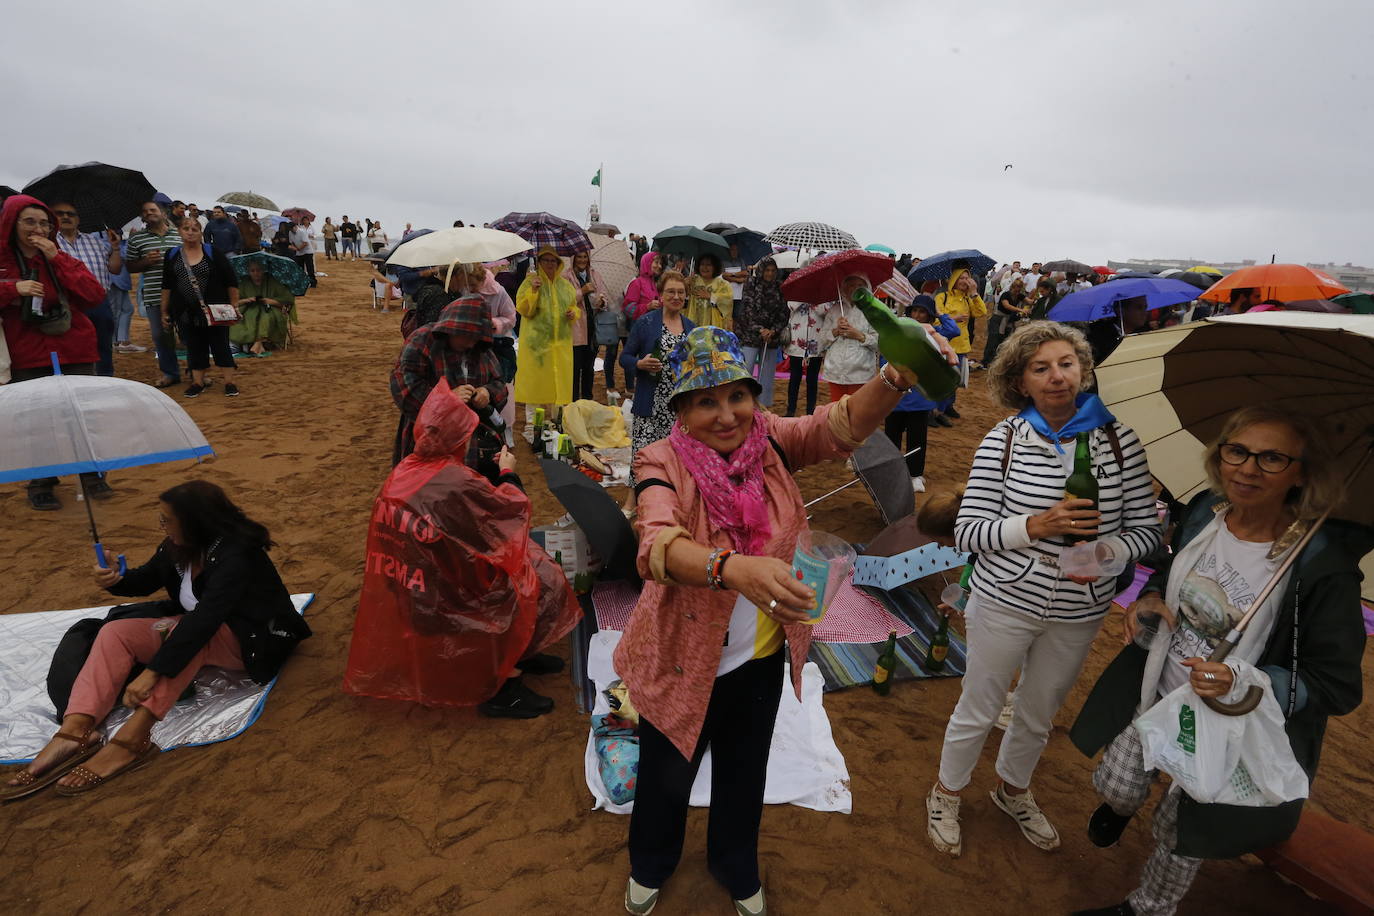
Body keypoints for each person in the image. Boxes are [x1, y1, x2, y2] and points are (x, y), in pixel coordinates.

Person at [616, 326, 922, 915]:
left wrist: (894, 378)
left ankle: (734, 865)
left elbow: (839, 427)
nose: (727, 415)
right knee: (665, 774)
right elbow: (655, 545)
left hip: (759, 656)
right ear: (680, 408)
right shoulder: (660, 460)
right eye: (706, 400)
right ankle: (651, 863)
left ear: (755, 397)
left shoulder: (772, 441)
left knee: (744, 768)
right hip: (678, 656)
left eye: (737, 395)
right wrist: (731, 569)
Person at [1070, 407, 1365, 916]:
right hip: (1156, 689)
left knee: (1179, 831)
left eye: (1273, 458)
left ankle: (1148, 908)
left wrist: (1244, 678)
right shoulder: (1207, 511)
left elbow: (1336, 685)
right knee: (1116, 786)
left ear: (1302, 472)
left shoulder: (1320, 565)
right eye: (1238, 451)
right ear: (1219, 454)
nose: (1248, 469)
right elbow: (1168, 570)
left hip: (1228, 726)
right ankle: (1120, 811)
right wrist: (1150, 598)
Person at [925, 320, 1161, 858]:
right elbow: (967, 531)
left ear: (1083, 368)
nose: (1057, 377)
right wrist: (1036, 525)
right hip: (1005, 600)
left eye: (1066, 364)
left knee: (1037, 710)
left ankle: (1012, 790)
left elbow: (1147, 531)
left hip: (1080, 608)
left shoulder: (1119, 442)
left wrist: (1106, 552)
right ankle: (947, 792)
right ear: (1021, 382)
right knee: (979, 705)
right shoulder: (1004, 440)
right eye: (1041, 368)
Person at [0, 481, 312, 800]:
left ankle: (134, 737)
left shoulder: (236, 554)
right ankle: (77, 728)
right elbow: (147, 579)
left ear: (196, 521)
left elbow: (205, 620)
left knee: (190, 635)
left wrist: (152, 672)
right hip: (199, 628)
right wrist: (116, 577)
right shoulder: (177, 546)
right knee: (115, 632)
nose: (163, 525)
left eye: (167, 519)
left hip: (254, 639)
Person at [344, 383, 580, 717]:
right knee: (537, 573)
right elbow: (511, 515)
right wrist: (507, 472)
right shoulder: (452, 479)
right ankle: (502, 686)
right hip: (448, 595)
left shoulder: (407, 469)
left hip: (412, 589)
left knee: (527, 566)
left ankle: (521, 651)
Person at [0, 194, 109, 510]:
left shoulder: (58, 255)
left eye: (45, 223)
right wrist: (12, 288)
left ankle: (91, 473)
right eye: (29, 221)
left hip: (72, 344)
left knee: (80, 413)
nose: (38, 228)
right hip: (26, 348)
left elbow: (93, 295)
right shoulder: (3, 259)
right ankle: (43, 479)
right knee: (36, 420)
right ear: (11, 223)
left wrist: (58, 258)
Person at [391, 297, 506, 472]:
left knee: (467, 492)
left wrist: (488, 392)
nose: (470, 343)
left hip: (472, 446)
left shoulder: (480, 348)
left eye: (475, 337)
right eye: (466, 336)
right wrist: (446, 399)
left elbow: (500, 384)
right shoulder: (422, 340)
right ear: (451, 328)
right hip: (428, 441)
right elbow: (403, 386)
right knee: (427, 493)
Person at [620, 270, 695, 469]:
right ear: (660, 294)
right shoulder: (645, 323)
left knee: (676, 460)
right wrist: (639, 364)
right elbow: (624, 357)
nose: (676, 297)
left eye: (681, 292)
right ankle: (633, 497)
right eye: (671, 291)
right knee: (643, 456)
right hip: (649, 403)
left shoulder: (691, 328)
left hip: (679, 408)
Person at [885, 296, 959, 492]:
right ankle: (891, 472)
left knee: (917, 438)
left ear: (930, 315)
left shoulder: (936, 334)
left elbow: (954, 330)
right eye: (914, 311)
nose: (917, 315)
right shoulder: (898, 329)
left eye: (923, 312)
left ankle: (915, 474)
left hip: (920, 398)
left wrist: (938, 317)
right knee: (892, 436)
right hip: (896, 396)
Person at [161, 216, 240, 398]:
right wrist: (164, 311)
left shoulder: (213, 252)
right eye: (186, 228)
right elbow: (167, 285)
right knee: (194, 346)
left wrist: (234, 304)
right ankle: (197, 382)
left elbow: (231, 280)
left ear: (200, 233)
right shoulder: (172, 255)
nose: (190, 232)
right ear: (179, 231)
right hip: (185, 311)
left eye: (194, 229)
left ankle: (229, 382)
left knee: (221, 345)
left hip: (215, 309)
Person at [51, 200, 123, 377]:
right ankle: (77, 381)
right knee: (71, 346)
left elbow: (115, 269)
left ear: (79, 219)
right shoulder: (50, 243)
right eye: (60, 213)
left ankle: (105, 380)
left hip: (99, 303)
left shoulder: (95, 242)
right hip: (68, 305)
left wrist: (115, 248)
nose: (66, 217)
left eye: (71, 214)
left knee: (102, 345)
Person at [127, 200, 187, 388]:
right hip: (154, 293)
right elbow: (129, 266)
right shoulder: (136, 239)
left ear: (163, 213)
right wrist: (145, 262)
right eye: (144, 212)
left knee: (190, 333)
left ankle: (197, 371)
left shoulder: (180, 233)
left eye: (152, 210)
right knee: (160, 335)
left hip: (182, 293)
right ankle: (170, 373)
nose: (148, 213)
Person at [513, 247, 579, 416]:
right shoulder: (530, 282)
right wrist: (533, 291)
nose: (550, 264)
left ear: (558, 263)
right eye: (546, 260)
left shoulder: (565, 286)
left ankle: (556, 423)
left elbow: (574, 306)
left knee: (558, 385)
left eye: (553, 261)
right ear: (539, 262)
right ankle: (532, 426)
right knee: (535, 386)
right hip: (537, 348)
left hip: (560, 346)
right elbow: (524, 310)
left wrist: (573, 313)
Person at [734, 256, 789, 410]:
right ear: (761, 270)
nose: (770, 273)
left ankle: (763, 407)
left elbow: (784, 313)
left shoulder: (780, 287)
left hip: (771, 337)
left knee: (767, 374)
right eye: (767, 270)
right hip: (750, 334)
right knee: (746, 370)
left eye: (773, 270)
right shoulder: (751, 283)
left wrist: (773, 331)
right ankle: (741, 402)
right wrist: (760, 329)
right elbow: (747, 310)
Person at [817, 274, 881, 401]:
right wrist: (835, 331)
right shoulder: (835, 310)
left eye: (860, 285)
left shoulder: (873, 311)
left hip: (861, 373)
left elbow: (881, 343)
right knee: (838, 412)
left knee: (857, 413)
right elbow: (821, 341)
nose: (855, 289)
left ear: (866, 287)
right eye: (851, 285)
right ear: (844, 288)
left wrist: (859, 336)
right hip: (835, 372)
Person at [934, 268, 988, 407]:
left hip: (962, 345)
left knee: (956, 379)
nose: (965, 281)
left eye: (967, 278)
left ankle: (948, 406)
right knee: (942, 378)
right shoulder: (942, 297)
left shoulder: (967, 299)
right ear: (954, 280)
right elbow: (935, 320)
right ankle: (937, 410)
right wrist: (953, 318)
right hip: (945, 345)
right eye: (962, 278)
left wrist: (974, 293)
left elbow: (981, 312)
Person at [564, 249, 607, 402]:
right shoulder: (566, 276)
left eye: (585, 257)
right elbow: (564, 300)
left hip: (592, 328)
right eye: (579, 257)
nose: (582, 260)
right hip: (575, 330)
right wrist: (581, 291)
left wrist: (602, 302)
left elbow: (601, 296)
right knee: (575, 369)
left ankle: (587, 400)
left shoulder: (594, 274)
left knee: (589, 368)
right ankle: (573, 401)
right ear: (573, 259)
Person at [230, 257, 296, 355]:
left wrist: (270, 301)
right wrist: (247, 300)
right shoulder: (244, 283)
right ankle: (243, 343)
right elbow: (234, 301)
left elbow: (287, 300)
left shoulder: (273, 282)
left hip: (271, 309)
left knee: (265, 318)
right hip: (249, 308)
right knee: (244, 317)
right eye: (252, 271)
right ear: (248, 271)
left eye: (258, 270)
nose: (256, 273)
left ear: (263, 270)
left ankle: (258, 343)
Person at [783, 297, 830, 417]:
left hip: (816, 340)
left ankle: (810, 411)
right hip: (797, 341)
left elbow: (825, 310)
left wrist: (814, 299)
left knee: (812, 379)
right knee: (794, 377)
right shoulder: (797, 292)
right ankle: (791, 410)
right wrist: (804, 296)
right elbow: (791, 305)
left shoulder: (823, 294)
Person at [107, 230, 143, 355]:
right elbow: (124, 256)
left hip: (120, 280)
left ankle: (121, 341)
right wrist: (131, 239)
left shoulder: (120, 237)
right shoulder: (103, 236)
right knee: (115, 312)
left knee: (127, 309)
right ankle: (115, 342)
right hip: (114, 280)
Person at [983, 275, 1031, 366]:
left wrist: (1034, 295)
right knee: (993, 340)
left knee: (1003, 341)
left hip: (1008, 320)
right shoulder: (1005, 294)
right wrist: (1020, 310)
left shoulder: (1019, 295)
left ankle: (997, 361)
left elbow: (1029, 301)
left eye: (1019, 288)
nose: (1017, 290)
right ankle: (986, 361)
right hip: (997, 319)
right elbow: (1006, 306)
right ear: (1012, 287)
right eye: (1016, 288)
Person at [685, 253, 733, 329]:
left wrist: (711, 297)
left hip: (714, 324)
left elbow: (727, 302)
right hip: (693, 321)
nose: (705, 267)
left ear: (715, 267)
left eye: (708, 265)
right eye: (702, 264)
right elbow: (683, 297)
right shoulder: (693, 281)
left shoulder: (722, 284)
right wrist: (684, 284)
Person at [290, 217, 317, 289]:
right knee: (300, 269)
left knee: (310, 268)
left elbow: (305, 243)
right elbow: (291, 242)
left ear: (296, 227)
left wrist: (298, 248)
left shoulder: (302, 231)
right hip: (299, 253)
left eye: (293, 228)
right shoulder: (290, 233)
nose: (292, 230)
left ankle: (313, 282)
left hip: (307, 252)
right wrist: (295, 248)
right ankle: (302, 282)